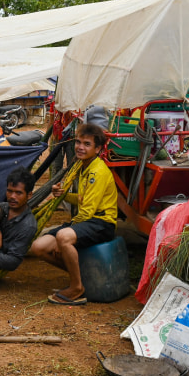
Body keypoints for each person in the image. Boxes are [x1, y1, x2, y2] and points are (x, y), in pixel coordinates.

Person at [31, 123, 117, 305]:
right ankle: (83, 276)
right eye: (78, 142)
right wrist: (63, 195)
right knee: (39, 247)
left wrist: (64, 236)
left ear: (98, 149)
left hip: (102, 222)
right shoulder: (82, 166)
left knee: (63, 237)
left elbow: (87, 211)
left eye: (87, 144)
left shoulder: (97, 171)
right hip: (89, 219)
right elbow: (83, 199)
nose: (80, 147)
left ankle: (77, 287)